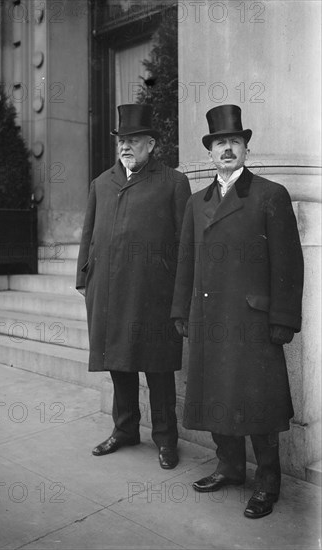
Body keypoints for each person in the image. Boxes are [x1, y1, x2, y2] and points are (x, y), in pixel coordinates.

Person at [171, 104, 304, 518]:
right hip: (209, 318)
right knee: (216, 396)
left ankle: (267, 480)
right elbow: (185, 261)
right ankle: (229, 467)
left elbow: (288, 264)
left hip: (252, 320)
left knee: (258, 401)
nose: (227, 149)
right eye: (219, 143)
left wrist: (282, 319)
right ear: (210, 152)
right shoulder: (196, 202)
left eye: (234, 142)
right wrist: (181, 310)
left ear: (246, 149)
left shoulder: (270, 194)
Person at [76, 104, 191, 469]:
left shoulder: (173, 182)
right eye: (122, 140)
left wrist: (180, 293)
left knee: (157, 369)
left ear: (151, 144)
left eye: (134, 140)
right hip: (108, 290)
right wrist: (84, 277)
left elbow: (185, 243)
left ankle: (165, 440)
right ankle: (125, 430)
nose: (126, 146)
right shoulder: (101, 183)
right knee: (119, 366)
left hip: (154, 291)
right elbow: (88, 233)